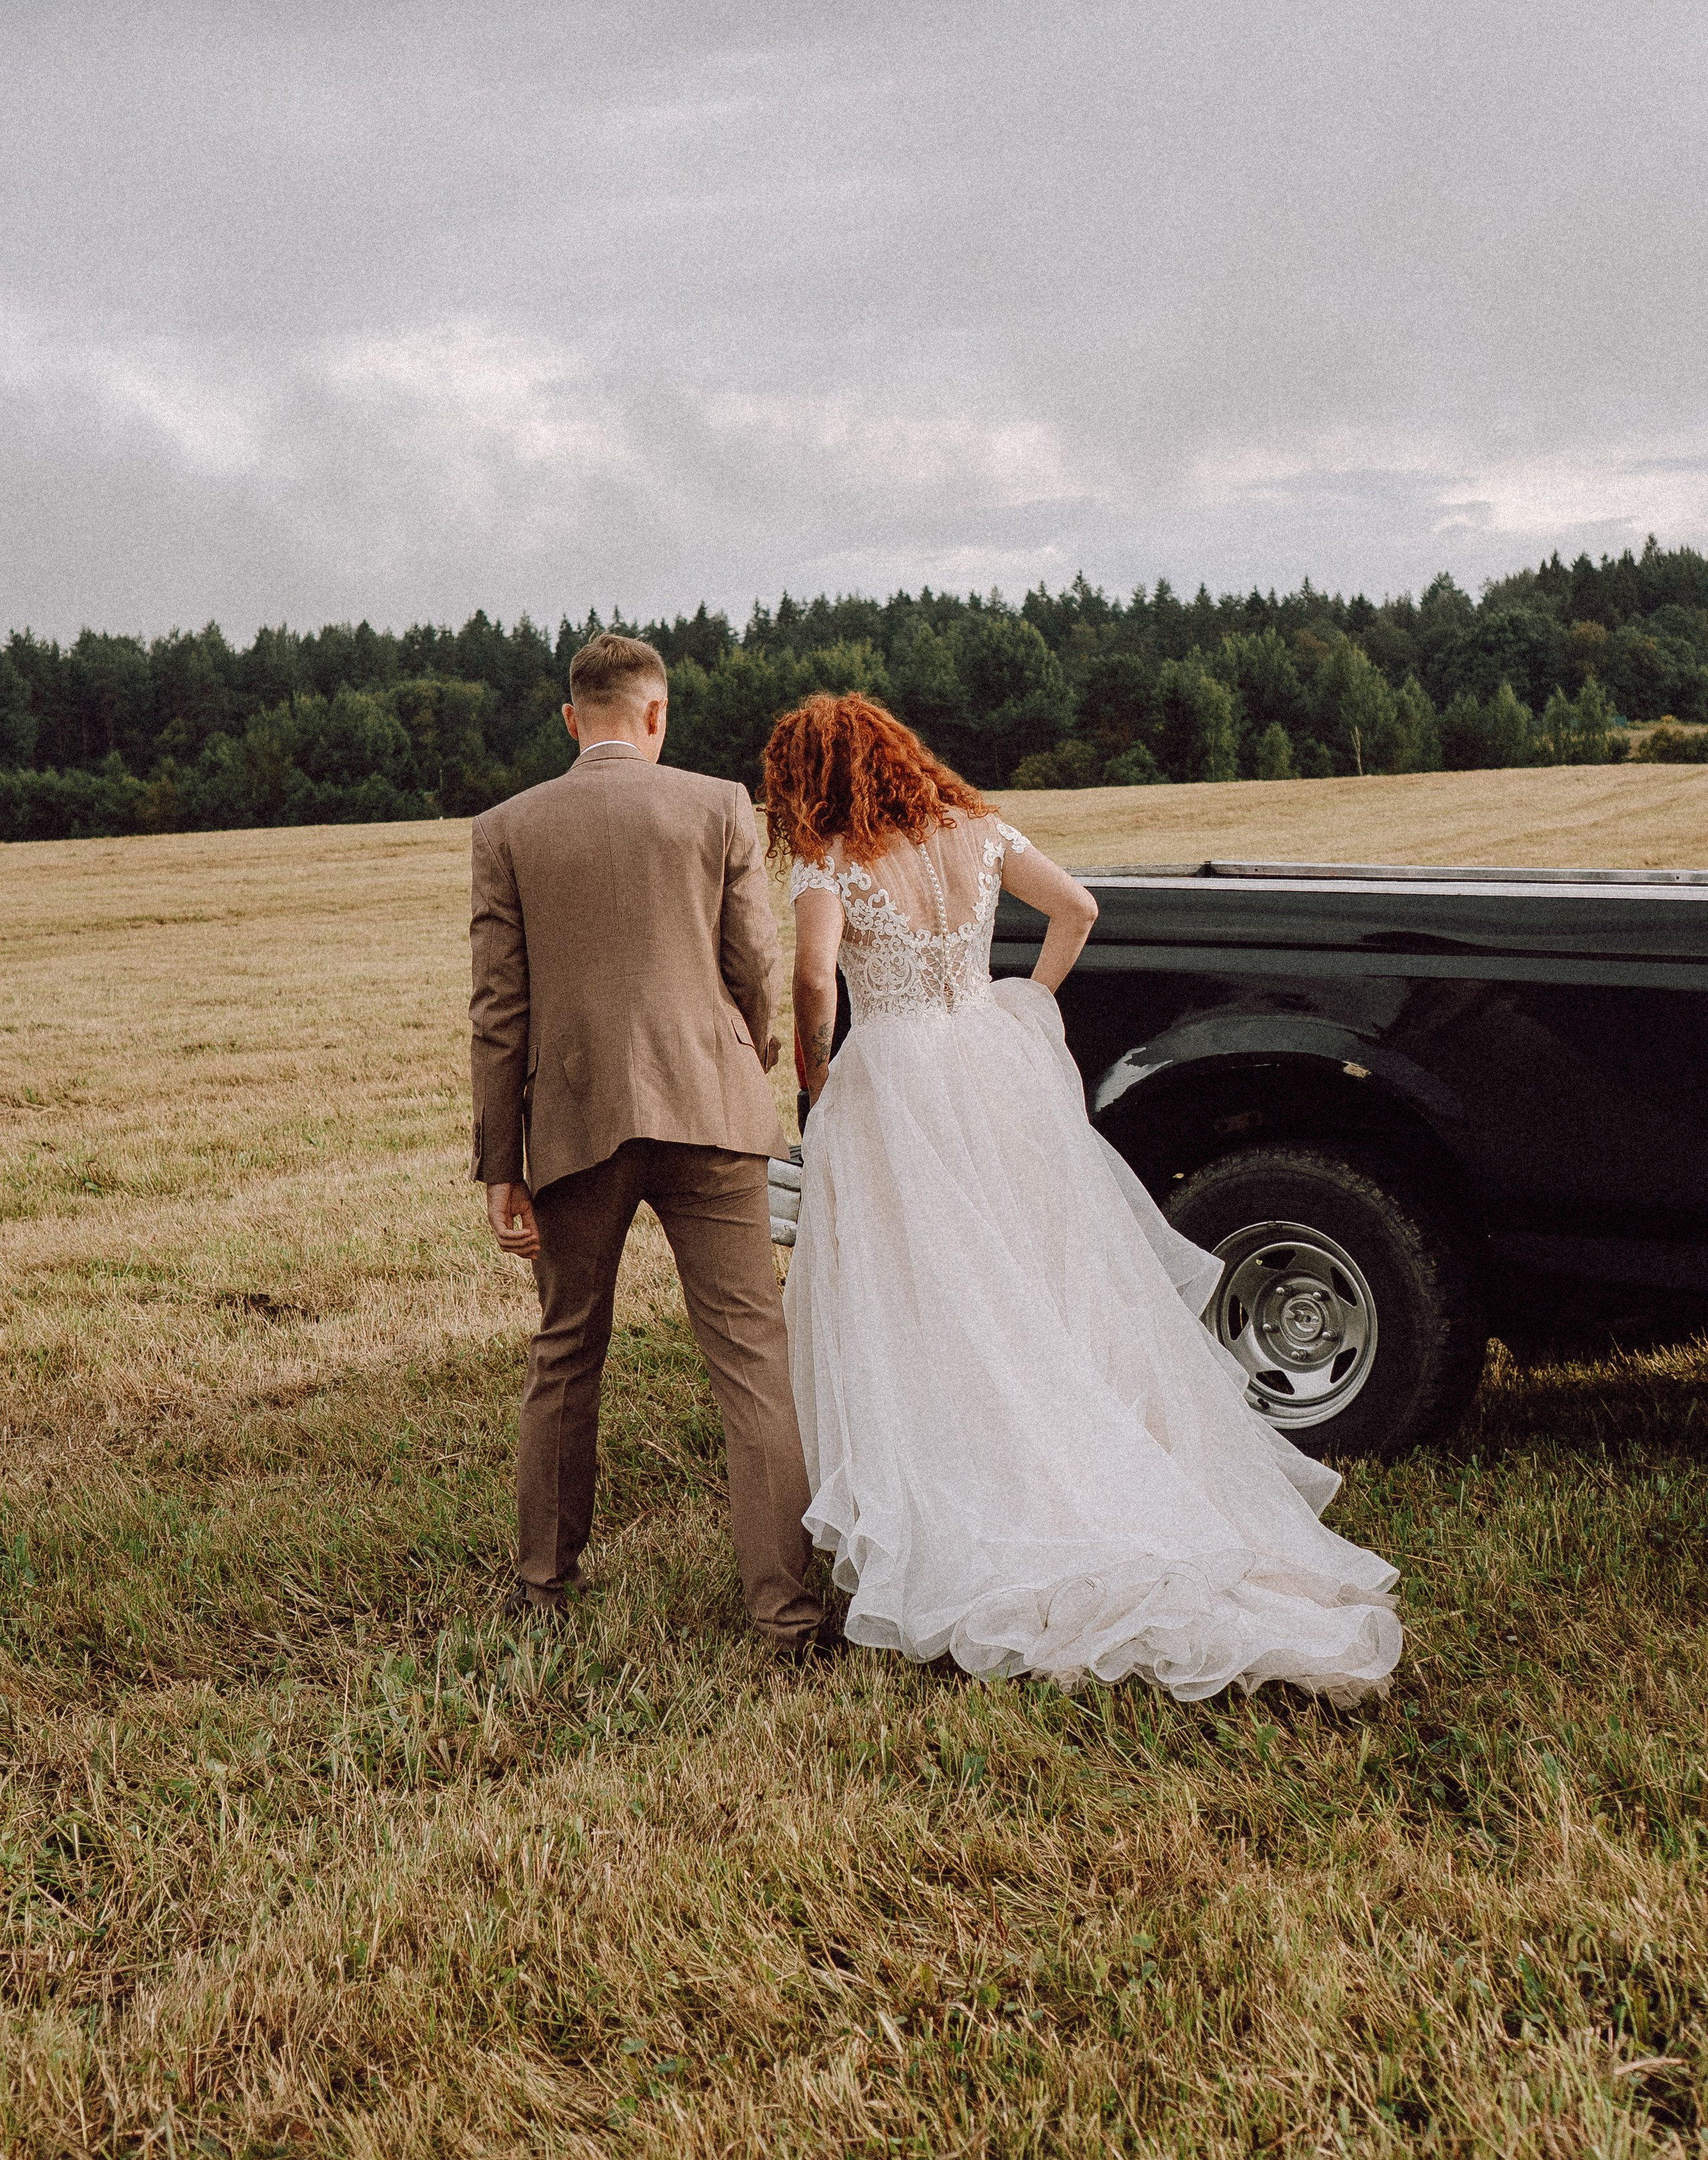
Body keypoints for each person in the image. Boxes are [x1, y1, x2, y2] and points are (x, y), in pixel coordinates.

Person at [763, 692, 1400, 1704]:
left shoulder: (829, 857)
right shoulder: (974, 829)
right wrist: (1029, 1002)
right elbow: (1079, 908)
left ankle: (968, 1489)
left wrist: (816, 1074)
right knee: (1031, 1270)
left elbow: (810, 978)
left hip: (893, 1078)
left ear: (808, 781)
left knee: (923, 1292)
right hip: (988, 1062)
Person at [469, 631, 831, 1660]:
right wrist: (747, 1051)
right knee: (752, 1359)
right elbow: (755, 962)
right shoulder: (718, 805)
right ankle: (787, 1617)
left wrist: (502, 1164)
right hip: (713, 1110)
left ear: (572, 720)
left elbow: (499, 1010)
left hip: (576, 1123)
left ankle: (543, 1587)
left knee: (566, 1350)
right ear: (657, 716)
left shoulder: (506, 828)